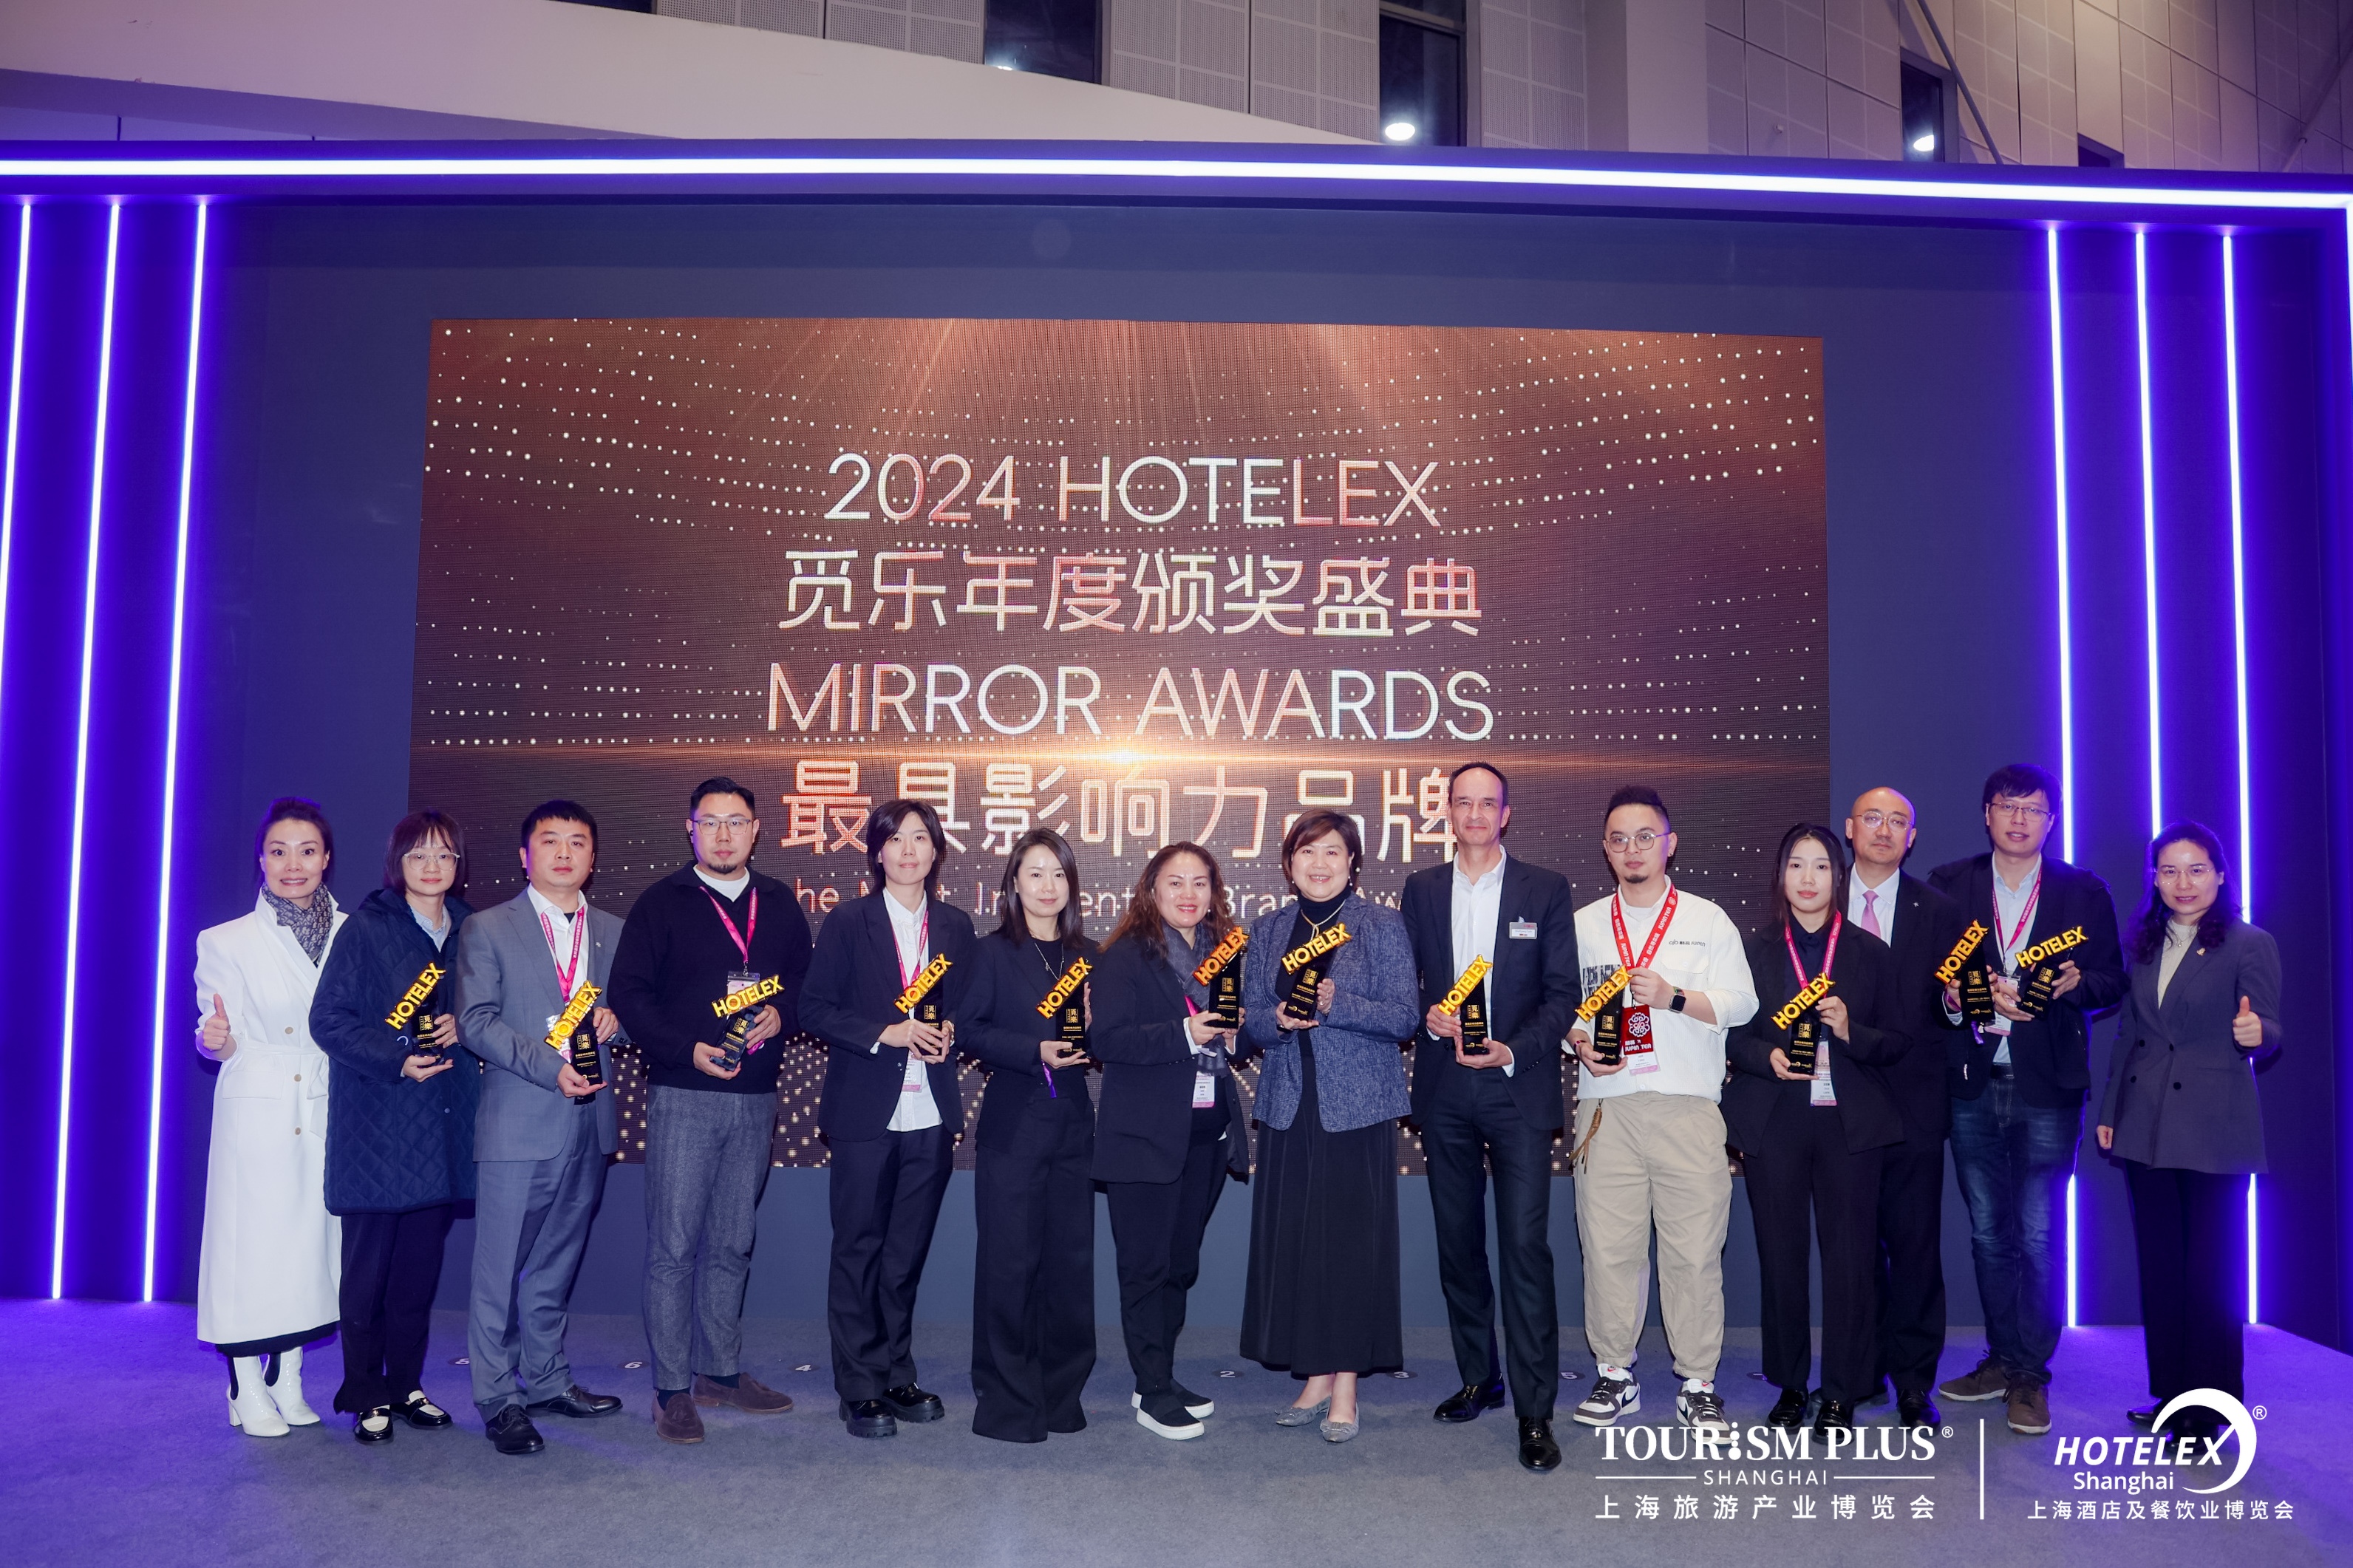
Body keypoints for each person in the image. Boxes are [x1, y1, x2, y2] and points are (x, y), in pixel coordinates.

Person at [608, 777, 811, 1444]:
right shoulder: (661, 902)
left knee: (732, 1242)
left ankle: (719, 1373)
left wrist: (782, 1013)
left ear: (757, 830)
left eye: (737, 822)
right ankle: (672, 1388)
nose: (724, 835)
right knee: (673, 1247)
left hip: (755, 1099)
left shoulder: (778, 903)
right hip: (684, 1093)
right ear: (690, 829)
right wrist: (684, 1050)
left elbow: (807, 984)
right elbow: (629, 996)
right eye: (711, 822)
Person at [1929, 763, 2125, 1436]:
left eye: (2033, 809)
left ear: (2052, 820)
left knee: (2039, 1236)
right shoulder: (1950, 885)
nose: (2019, 819)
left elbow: (2112, 980)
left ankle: (2029, 1375)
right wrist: (1954, 995)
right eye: (2008, 806)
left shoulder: (2082, 891)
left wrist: (2075, 985)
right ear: (1987, 814)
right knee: (1989, 1235)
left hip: (2048, 1085)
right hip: (1973, 1080)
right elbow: (1928, 980)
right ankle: (2002, 1357)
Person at [1399, 761, 1579, 1473]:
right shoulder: (1422, 888)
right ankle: (1481, 1377)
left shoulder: (1545, 888)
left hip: (1517, 1088)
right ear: (1447, 812)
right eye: (1463, 803)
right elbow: (1403, 986)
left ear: (1506, 814)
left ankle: (1535, 1412)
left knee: (1524, 1250)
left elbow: (1562, 995)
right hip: (1445, 1090)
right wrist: (1427, 1016)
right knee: (1459, 1245)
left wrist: (1513, 1049)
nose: (1475, 814)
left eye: (1488, 804)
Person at [1566, 785, 1757, 1433]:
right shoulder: (1584, 925)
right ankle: (1615, 1374)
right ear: (1606, 849)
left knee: (1694, 1252)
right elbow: (1562, 1010)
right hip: (1608, 1109)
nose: (1633, 849)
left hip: (1687, 1107)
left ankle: (1698, 1382)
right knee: (1608, 1249)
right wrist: (1580, 1044)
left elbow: (1742, 1004)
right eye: (1619, 839)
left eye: (1645, 837)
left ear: (1670, 844)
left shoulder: (1708, 920)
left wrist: (1674, 997)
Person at [453, 800, 629, 1456]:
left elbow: (632, 1013)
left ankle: (548, 1379)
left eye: (577, 842)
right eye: (550, 841)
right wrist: (548, 1066)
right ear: (526, 856)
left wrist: (618, 1022)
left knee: (556, 1263)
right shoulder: (489, 927)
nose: (564, 853)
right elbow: (475, 1022)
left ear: (592, 856)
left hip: (589, 1123)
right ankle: (498, 1397)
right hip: (519, 1124)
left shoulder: (612, 930)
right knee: (498, 1271)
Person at [1238, 811, 1418, 1445]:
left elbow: (1405, 1017)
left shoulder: (1380, 925)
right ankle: (1314, 1376)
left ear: (1353, 864)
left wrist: (1341, 1003)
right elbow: (1249, 1018)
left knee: (1347, 1246)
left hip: (1356, 1108)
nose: (1320, 864)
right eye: (1307, 852)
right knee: (1298, 1242)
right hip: (1289, 1103)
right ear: (1289, 865)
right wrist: (1277, 1021)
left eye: (1333, 852)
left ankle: (1345, 1386)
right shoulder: (1269, 928)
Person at [800, 798, 977, 1440]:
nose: (908, 850)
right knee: (859, 1250)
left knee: (904, 1255)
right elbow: (813, 1008)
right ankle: (858, 1386)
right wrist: (887, 1032)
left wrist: (952, 1029)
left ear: (936, 852)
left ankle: (897, 1373)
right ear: (876, 852)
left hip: (930, 1111)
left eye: (921, 838)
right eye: (895, 839)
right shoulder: (849, 921)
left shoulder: (955, 926)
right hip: (864, 1110)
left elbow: (969, 1008)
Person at [2096, 822, 2279, 1437]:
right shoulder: (2145, 944)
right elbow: (2128, 1034)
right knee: (2163, 1271)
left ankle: (2212, 1412)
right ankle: (2172, 1398)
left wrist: (2258, 1034)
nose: (2183, 883)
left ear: (2220, 875)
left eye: (2197, 869)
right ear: (2155, 879)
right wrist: (2110, 1111)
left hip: (2214, 1129)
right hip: (2144, 1125)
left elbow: (2269, 1026)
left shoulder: (2249, 943)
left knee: (2212, 1277)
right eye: (2169, 871)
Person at [1724, 825, 1905, 1434]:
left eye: (1821, 866)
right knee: (1781, 1255)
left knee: (1850, 1259)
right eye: (1797, 865)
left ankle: (1842, 1390)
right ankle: (1791, 1383)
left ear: (1839, 876)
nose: (1808, 878)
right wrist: (1765, 1057)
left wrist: (1850, 1030)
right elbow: (1730, 1037)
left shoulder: (1868, 952)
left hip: (1848, 1122)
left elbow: (1898, 1042)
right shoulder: (1752, 950)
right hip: (1774, 1117)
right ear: (1781, 875)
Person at [309, 810, 478, 1444]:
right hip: (378, 1126)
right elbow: (329, 1019)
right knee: (368, 1277)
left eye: (444, 855)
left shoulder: (472, 930)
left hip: (442, 1126)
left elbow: (493, 1009)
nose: (432, 866)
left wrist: (463, 1023)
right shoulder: (367, 928)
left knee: (416, 1274)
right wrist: (397, 1057)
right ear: (397, 863)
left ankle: (407, 1386)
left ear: (458, 864)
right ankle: (365, 1391)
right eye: (418, 855)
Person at [194, 798, 348, 1436]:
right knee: (251, 1250)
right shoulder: (226, 939)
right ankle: (244, 1381)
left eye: (307, 851)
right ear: (261, 859)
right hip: (259, 1105)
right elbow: (218, 1035)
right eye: (279, 851)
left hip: (327, 1101)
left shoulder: (352, 931)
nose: (293, 864)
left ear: (326, 858)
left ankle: (289, 1377)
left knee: (310, 1249)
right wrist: (213, 1039)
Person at [1089, 841, 1249, 1441]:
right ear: (1151, 890)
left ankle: (1158, 1375)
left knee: (1180, 1266)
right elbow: (1109, 1040)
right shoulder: (1124, 955)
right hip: (1143, 1136)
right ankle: (1152, 1391)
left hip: (1205, 1134)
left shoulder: (1223, 952)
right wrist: (1186, 1032)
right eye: (1176, 882)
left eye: (1200, 883)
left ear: (1214, 892)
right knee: (1146, 1268)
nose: (1188, 894)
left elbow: (1239, 1032)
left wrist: (1235, 1035)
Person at [956, 828, 1097, 1443]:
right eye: (1035, 873)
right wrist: (1033, 1049)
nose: (1048, 886)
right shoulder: (992, 953)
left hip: (1073, 1127)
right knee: (1009, 1266)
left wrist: (1095, 1027)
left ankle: (1061, 1396)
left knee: (1070, 1267)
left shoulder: (1090, 955)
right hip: (1014, 1125)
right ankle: (1008, 1403)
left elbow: (1106, 1038)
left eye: (1059, 874)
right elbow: (969, 1031)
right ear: (1014, 883)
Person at [1842, 786, 1966, 1428]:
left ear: (1911, 838)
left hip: (1915, 1099)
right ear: (1850, 828)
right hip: (1837, 1099)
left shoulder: (1941, 912)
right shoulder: (1818, 897)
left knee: (1915, 1247)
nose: (1885, 831)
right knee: (1854, 1248)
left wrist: (1957, 1002)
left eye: (1898, 822)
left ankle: (1914, 1382)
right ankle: (1859, 1374)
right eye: (1873, 819)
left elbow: (1955, 1004)